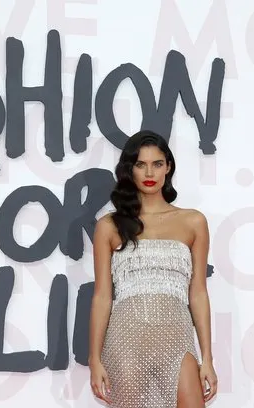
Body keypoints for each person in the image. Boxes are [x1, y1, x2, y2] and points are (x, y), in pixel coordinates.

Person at [88, 130, 218, 407]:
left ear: (168, 167)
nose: (150, 172)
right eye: (140, 164)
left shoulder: (193, 222)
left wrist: (207, 358)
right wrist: (94, 359)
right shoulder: (109, 226)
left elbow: (198, 293)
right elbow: (102, 296)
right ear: (129, 169)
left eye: (157, 163)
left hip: (177, 338)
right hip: (126, 341)